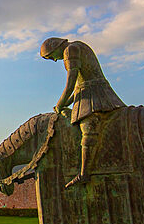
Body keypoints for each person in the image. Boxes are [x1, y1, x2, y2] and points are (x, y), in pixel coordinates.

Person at [40, 37, 127, 187]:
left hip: (95, 93)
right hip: (88, 91)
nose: (54, 60)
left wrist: (60, 104)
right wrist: (64, 103)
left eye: (51, 57)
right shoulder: (77, 46)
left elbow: (71, 83)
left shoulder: (70, 50)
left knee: (88, 128)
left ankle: (84, 174)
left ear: (56, 48)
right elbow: (78, 88)